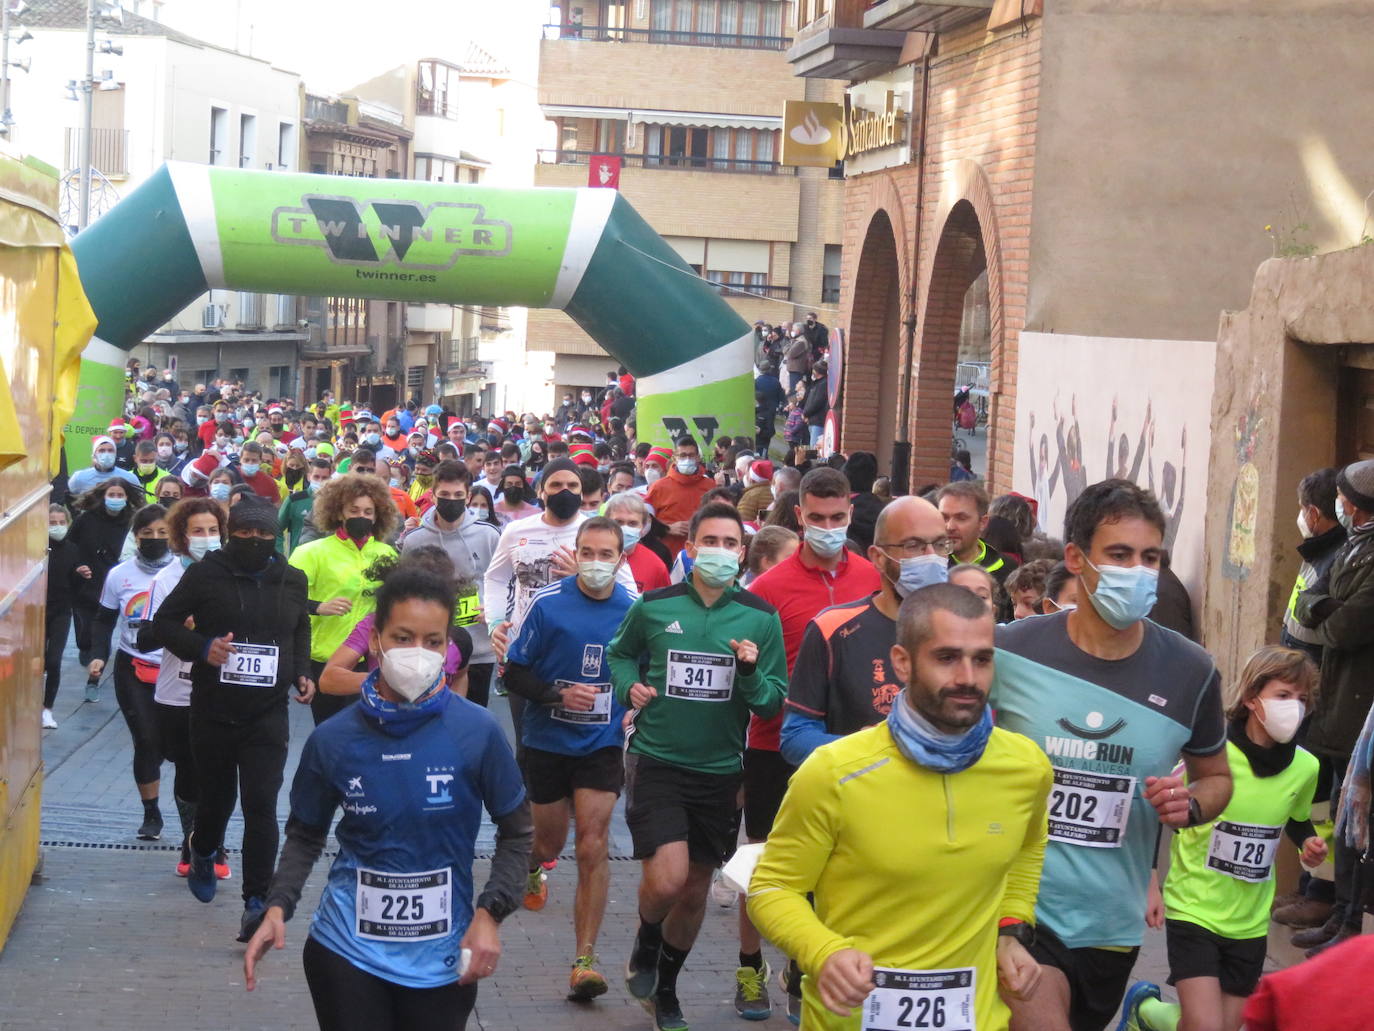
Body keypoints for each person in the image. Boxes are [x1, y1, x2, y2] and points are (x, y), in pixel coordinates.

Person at [241, 562, 532, 1031]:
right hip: (345, 948)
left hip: (443, 956)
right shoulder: (334, 740)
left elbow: (518, 832)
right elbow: (305, 834)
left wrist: (490, 913)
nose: (417, 652)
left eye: (433, 641)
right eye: (402, 637)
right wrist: (278, 906)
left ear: (447, 646)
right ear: (375, 640)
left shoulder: (476, 731)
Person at [749, 582, 1051, 1031]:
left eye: (982, 659)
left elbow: (1028, 848)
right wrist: (823, 951)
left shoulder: (1026, 767)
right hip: (850, 1020)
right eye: (946, 658)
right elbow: (772, 888)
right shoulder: (834, 772)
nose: (968, 677)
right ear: (902, 663)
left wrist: (1009, 931)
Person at [991, 479, 1231, 1031]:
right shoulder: (1011, 650)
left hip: (1112, 922)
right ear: (1076, 558)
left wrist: (1190, 805)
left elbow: (1215, 777)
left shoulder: (1190, 670)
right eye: (1119, 555)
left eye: (1150, 557)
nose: (1138, 570)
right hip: (1019, 908)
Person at [610, 501, 787, 1031]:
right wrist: (628, 686)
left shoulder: (759, 616)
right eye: (709, 541)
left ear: (743, 553)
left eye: (730, 544)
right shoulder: (655, 606)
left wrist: (750, 670)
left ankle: (666, 989)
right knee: (668, 880)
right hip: (658, 757)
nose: (720, 552)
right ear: (691, 548)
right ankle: (645, 939)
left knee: (693, 892)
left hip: (719, 769)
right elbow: (620, 655)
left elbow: (772, 703)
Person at [1120, 646, 1325, 1031]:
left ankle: (1146, 1014)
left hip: (1249, 921)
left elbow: (1296, 818)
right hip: (1193, 908)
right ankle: (1148, 1009)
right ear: (1251, 698)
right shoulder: (1211, 759)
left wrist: (1308, 844)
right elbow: (1157, 810)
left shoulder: (1306, 767)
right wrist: (1149, 884)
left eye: (1302, 699)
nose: (1294, 707)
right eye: (1283, 695)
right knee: (1205, 1027)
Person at [738, 466, 881, 1019]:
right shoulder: (766, 588)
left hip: (848, 745)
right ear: (798, 516)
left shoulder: (872, 576)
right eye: (816, 519)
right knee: (764, 865)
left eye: (837, 518)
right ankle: (750, 966)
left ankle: (804, 971)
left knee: (833, 869)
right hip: (774, 744)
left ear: (850, 513)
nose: (827, 527)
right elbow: (747, 671)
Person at [150, 499, 316, 941]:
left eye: (264, 537)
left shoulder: (292, 579)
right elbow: (162, 624)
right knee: (217, 800)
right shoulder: (206, 573)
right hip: (213, 709)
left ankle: (256, 902)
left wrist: (302, 670)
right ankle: (202, 848)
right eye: (245, 536)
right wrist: (204, 648)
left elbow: (300, 627)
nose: (255, 543)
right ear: (231, 536)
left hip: (267, 714)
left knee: (261, 805)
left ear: (276, 539)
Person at [504, 517, 637, 1001]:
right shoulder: (548, 604)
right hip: (548, 742)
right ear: (575, 553)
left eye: (606, 554)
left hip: (600, 745)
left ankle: (584, 960)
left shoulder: (634, 611)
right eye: (588, 552)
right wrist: (556, 695)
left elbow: (643, 671)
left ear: (621, 559)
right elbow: (513, 676)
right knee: (550, 841)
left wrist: (635, 698)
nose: (596, 562)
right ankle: (536, 864)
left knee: (593, 844)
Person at [483, 458, 636, 768]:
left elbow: (632, 595)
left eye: (572, 486)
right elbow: (496, 578)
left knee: (583, 744)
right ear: (541, 491)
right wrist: (496, 622)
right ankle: (533, 810)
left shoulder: (595, 531)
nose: (564, 491)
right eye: (556, 485)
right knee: (528, 741)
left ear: (583, 492)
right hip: (526, 651)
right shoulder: (517, 531)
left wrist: (587, 577)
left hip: (581, 651)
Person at [780, 495, 951, 766]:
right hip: (855, 797)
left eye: (941, 544)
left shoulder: (964, 632)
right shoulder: (832, 629)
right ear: (878, 558)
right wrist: (861, 747)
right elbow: (795, 737)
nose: (932, 557)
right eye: (914, 545)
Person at [1291, 458, 1374, 955]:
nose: (1336, 505)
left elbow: (1345, 627)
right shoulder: (1352, 548)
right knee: (1342, 820)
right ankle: (1339, 914)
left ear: (1356, 506)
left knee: (1359, 823)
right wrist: (1326, 608)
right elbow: (1309, 600)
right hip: (1340, 703)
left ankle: (1351, 924)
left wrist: (1325, 609)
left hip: (1361, 708)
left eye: (1343, 498)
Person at [137, 497, 233, 881]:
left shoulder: (231, 573)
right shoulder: (166, 579)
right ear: (182, 536)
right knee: (189, 771)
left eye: (213, 531)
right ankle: (192, 841)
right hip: (177, 692)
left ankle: (216, 843)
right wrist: (179, 627)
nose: (206, 538)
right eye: (198, 531)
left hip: (225, 689)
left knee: (222, 771)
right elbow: (145, 637)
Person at [87, 504, 175, 839]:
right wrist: (98, 654)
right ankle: (151, 814)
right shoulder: (120, 575)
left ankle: (193, 819)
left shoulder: (187, 573)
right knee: (147, 740)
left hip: (178, 669)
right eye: (147, 534)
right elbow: (104, 618)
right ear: (135, 537)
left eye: (162, 533)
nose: (155, 540)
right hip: (133, 667)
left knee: (183, 747)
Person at [288, 475, 399, 725]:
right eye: (354, 510)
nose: (362, 516)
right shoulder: (311, 552)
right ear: (339, 512)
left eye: (368, 511)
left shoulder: (388, 554)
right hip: (325, 659)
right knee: (331, 732)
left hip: (370, 659)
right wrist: (319, 607)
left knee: (369, 732)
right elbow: (283, 598)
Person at [402, 460, 501, 708]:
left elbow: (503, 581)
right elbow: (404, 590)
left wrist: (495, 610)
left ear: (468, 496)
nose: (451, 500)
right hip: (429, 647)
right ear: (433, 495)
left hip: (478, 646)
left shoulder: (489, 535)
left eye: (458, 495)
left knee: (472, 717)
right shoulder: (415, 540)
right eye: (444, 495)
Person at [69, 479, 141, 674]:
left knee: (103, 628)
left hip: (113, 582)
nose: (116, 499)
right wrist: (77, 566)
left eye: (120, 495)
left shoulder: (132, 521)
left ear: (127, 498)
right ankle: (88, 649)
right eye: (112, 495)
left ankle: (97, 664)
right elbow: (70, 545)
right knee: (85, 634)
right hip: (86, 582)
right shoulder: (86, 519)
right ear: (103, 496)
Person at [1281, 467, 1345, 666]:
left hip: (1312, 663)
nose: (1300, 516)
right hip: (1297, 654)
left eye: (1302, 509)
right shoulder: (1317, 546)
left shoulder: (1340, 556)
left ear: (1314, 514)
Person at [644, 436, 715, 557]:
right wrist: (667, 528)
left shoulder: (710, 486)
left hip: (702, 555)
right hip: (668, 555)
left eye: (691, 455)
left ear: (698, 458)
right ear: (675, 458)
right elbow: (644, 521)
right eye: (682, 455)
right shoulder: (658, 487)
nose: (687, 459)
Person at [43, 504, 80, 729]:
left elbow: (75, 586)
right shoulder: (37, 548)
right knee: (36, 661)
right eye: (51, 523)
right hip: (37, 610)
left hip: (62, 610)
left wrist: (80, 575)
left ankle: (47, 708)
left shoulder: (73, 550)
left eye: (60, 523)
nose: (57, 527)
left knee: (54, 660)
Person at [605, 490, 670, 594]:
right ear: (606, 522)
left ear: (643, 528)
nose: (624, 528)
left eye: (632, 523)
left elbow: (663, 605)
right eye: (618, 522)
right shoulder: (590, 556)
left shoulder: (656, 566)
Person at [68, 434, 141, 496]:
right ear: (94, 454)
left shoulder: (130, 478)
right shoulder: (79, 478)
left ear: (115, 454)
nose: (106, 454)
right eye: (102, 451)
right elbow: (70, 499)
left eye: (110, 450)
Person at [802, 362, 830, 448]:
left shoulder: (823, 384)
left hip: (818, 421)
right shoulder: (818, 383)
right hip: (813, 420)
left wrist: (805, 413)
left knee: (815, 448)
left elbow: (817, 402)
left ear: (817, 371)